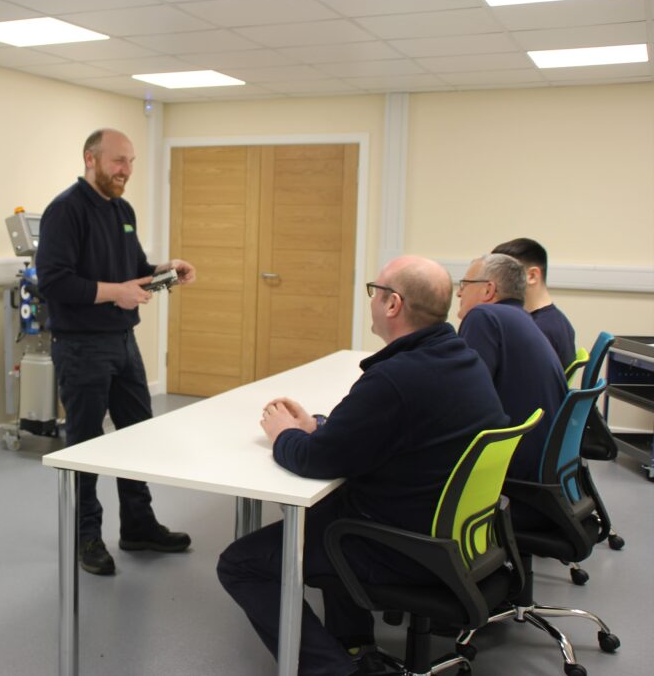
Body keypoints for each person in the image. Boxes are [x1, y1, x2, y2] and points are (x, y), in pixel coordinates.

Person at [218, 256, 508, 676]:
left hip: (404, 546)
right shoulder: (459, 359)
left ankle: (337, 670)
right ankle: (353, 643)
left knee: (242, 563)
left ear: (392, 304)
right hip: (454, 537)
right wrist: (316, 426)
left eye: (375, 291)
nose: (371, 300)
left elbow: (316, 461)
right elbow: (375, 433)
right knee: (318, 514)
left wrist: (284, 434)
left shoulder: (396, 378)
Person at [35, 128, 197, 576]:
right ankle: (86, 535)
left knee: (137, 436)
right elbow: (54, 281)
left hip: (124, 343)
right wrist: (115, 293)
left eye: (131, 162)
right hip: (81, 346)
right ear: (91, 158)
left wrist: (165, 271)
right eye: (118, 162)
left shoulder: (122, 210)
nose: (126, 171)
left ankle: (139, 526)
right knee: (86, 445)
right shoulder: (65, 211)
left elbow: (133, 272)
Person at [456, 253, 567, 484]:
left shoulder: (483, 316)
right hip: (541, 467)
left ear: (488, 290)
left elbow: (465, 401)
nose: (458, 292)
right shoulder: (523, 320)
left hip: (511, 473)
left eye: (464, 285)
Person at [491, 238, 577, 369]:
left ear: (532, 276)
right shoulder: (556, 320)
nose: (493, 283)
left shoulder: (539, 331)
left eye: (503, 274)